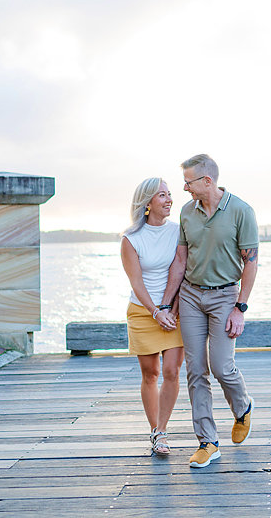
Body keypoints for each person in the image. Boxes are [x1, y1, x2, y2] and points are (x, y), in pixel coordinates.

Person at [157, 154, 259, 468]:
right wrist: (166, 302)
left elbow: (251, 263)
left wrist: (240, 308)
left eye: (188, 182)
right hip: (190, 296)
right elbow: (180, 261)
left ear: (207, 181)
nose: (184, 188)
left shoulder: (241, 211)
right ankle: (208, 442)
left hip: (225, 297)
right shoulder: (188, 213)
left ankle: (242, 407)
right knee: (195, 370)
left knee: (222, 367)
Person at [120, 178, 185, 456]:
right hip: (144, 312)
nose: (169, 199)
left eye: (170, 194)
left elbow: (183, 270)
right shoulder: (131, 239)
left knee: (171, 371)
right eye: (162, 195)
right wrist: (156, 311)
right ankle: (155, 431)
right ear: (147, 203)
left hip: (175, 310)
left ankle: (163, 430)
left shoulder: (179, 232)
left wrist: (170, 307)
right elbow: (137, 283)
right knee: (151, 373)